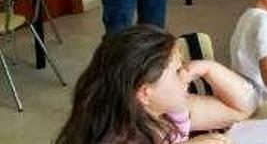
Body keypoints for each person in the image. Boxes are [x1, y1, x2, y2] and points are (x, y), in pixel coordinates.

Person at [54, 25, 256, 144]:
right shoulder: (118, 136)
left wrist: (208, 68)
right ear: (144, 93)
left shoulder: (168, 114)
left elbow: (240, 108)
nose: (187, 76)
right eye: (177, 71)